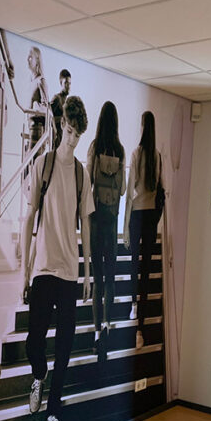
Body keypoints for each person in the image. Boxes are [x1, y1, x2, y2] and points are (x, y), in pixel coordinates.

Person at [21, 96, 93, 421]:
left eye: (78, 134)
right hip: (43, 267)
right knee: (34, 341)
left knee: (64, 347)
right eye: (70, 130)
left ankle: (53, 414)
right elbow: (28, 218)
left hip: (68, 271)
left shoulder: (81, 173)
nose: (73, 139)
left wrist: (87, 269)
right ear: (62, 125)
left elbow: (86, 224)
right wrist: (24, 271)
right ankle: (39, 373)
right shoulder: (44, 165)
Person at [86, 101, 125, 361]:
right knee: (110, 278)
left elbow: (88, 180)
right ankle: (109, 326)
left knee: (97, 279)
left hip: (96, 219)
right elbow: (122, 190)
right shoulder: (120, 150)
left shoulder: (95, 146)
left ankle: (96, 332)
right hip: (112, 220)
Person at [124, 111, 163, 350]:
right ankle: (141, 329)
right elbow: (158, 186)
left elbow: (130, 192)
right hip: (150, 217)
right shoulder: (156, 156)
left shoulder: (136, 154)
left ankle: (133, 304)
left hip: (137, 214)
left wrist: (125, 225)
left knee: (133, 264)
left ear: (141, 127)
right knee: (146, 269)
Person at [27, 46, 48, 156]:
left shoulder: (41, 81)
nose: (28, 59)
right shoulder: (32, 81)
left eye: (31, 57)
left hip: (38, 128)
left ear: (37, 60)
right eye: (28, 57)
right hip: (31, 127)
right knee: (29, 160)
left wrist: (35, 106)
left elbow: (46, 108)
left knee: (32, 161)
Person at [50, 69, 71, 149]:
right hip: (56, 141)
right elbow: (48, 117)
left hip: (64, 141)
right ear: (61, 83)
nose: (68, 86)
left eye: (69, 83)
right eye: (66, 83)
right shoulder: (56, 98)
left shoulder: (68, 101)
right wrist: (61, 119)